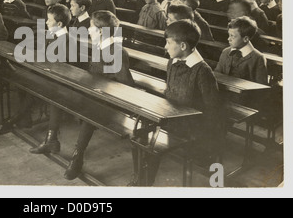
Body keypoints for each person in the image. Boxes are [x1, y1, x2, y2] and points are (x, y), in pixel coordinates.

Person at [129, 20, 223, 186]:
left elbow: (212, 109)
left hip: (189, 125)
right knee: (136, 134)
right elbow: (169, 91)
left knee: (151, 143)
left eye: (169, 42)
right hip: (169, 116)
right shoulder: (173, 61)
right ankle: (140, 176)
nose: (165, 46)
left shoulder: (202, 71)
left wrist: (203, 138)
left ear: (183, 46)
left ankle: (144, 182)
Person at [61, 11, 134, 180]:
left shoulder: (116, 51)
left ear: (101, 31)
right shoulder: (99, 45)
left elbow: (126, 84)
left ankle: (77, 156)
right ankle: (52, 140)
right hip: (95, 91)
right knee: (60, 93)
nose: (88, 29)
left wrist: (105, 89)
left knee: (91, 110)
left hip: (111, 98)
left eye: (91, 26)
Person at [0, 5, 73, 135]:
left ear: (59, 23)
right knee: (21, 80)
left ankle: (15, 119)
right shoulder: (51, 33)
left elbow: (62, 67)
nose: (46, 22)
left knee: (32, 87)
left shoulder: (66, 40)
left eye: (49, 20)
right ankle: (24, 118)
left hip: (57, 80)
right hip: (44, 72)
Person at [215, 17, 268, 85]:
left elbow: (261, 87)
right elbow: (217, 75)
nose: (228, 39)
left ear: (245, 39)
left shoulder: (258, 58)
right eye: (229, 35)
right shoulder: (225, 52)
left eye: (232, 36)